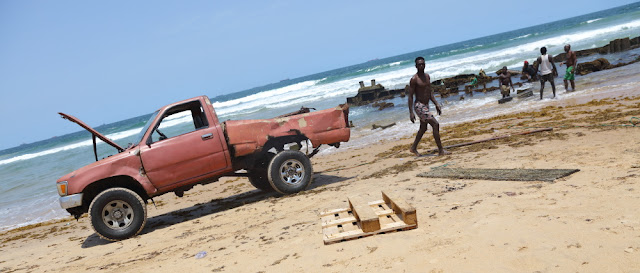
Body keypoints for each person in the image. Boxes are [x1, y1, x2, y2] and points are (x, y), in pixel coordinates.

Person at [408, 57, 450, 156]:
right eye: (419, 64)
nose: (421, 66)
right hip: (419, 106)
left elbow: (429, 92)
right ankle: (441, 150)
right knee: (435, 124)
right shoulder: (414, 79)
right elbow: (410, 96)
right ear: (416, 66)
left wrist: (436, 104)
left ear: (425, 64)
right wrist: (411, 112)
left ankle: (413, 148)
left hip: (426, 105)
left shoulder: (427, 76)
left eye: (423, 64)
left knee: (423, 128)